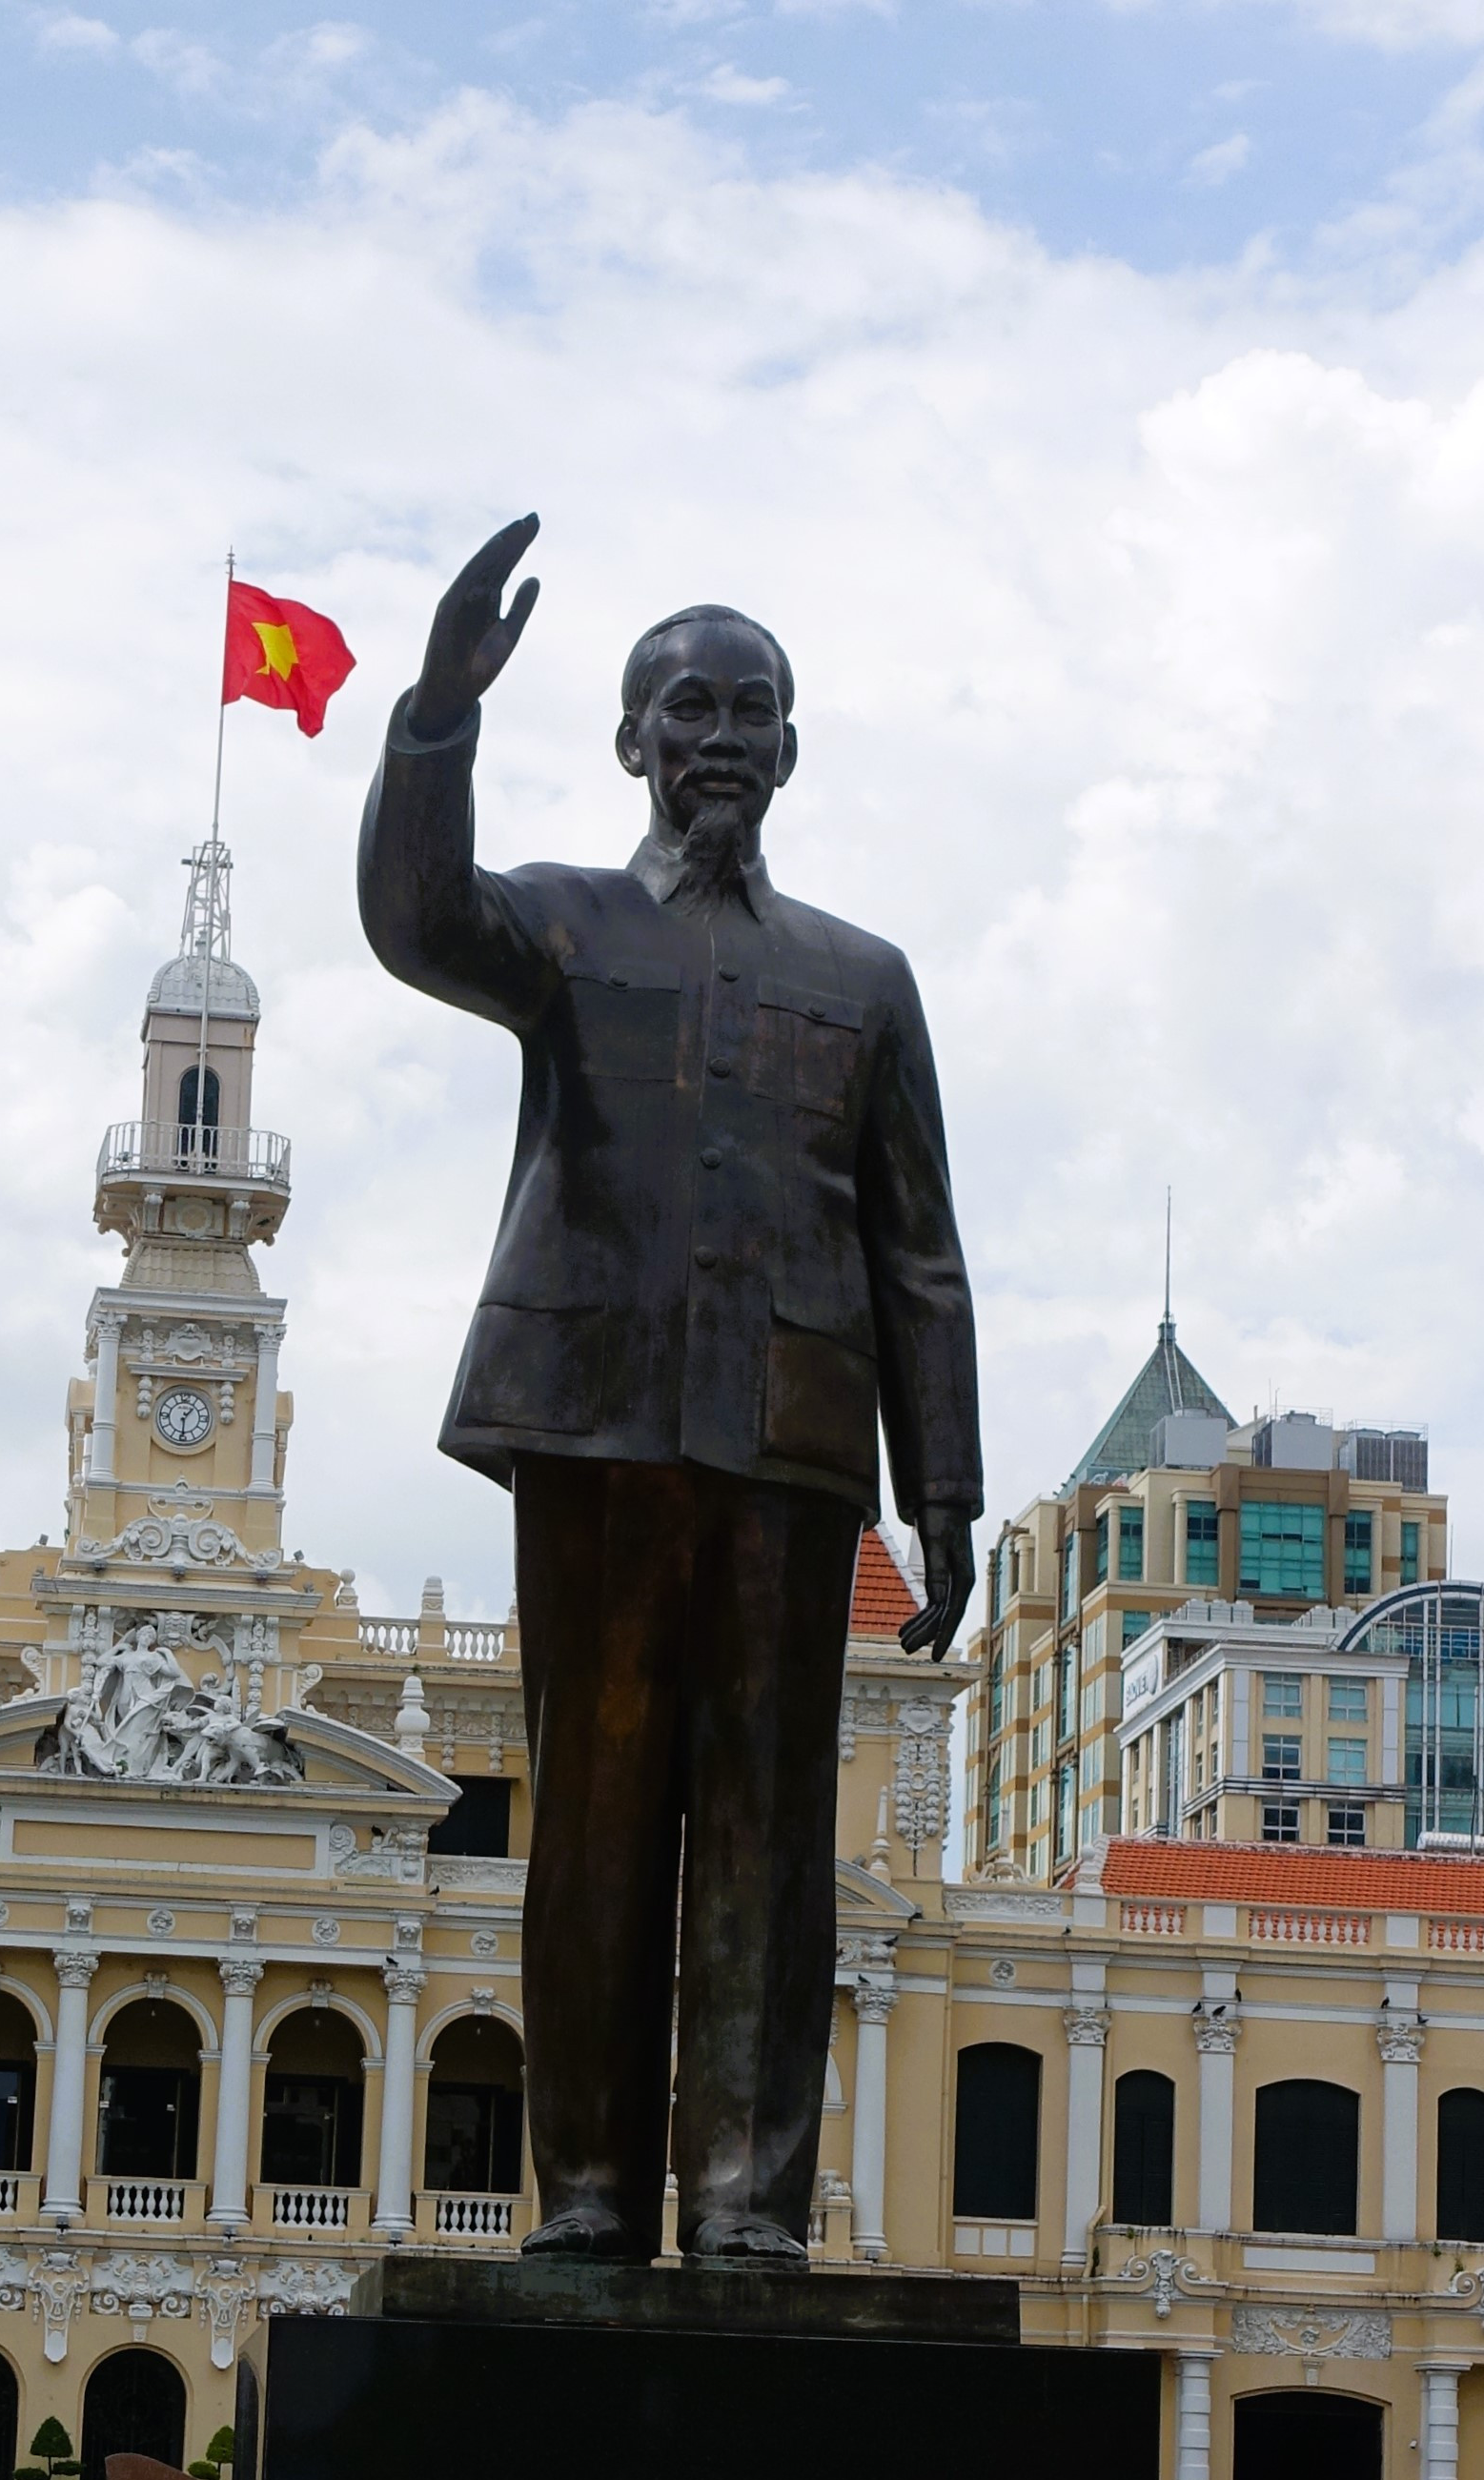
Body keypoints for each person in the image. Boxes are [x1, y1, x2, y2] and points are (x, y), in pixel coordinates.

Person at [358, 518, 981, 2265]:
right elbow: (415, 919)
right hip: (596, 1424)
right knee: (600, 1813)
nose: (719, 739)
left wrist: (945, 1489)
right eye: (686, 709)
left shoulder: (863, 982)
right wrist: (434, 717)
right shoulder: (556, 927)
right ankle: (588, 2191)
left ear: (788, 750)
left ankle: (746, 2204)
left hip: (790, 1447)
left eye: (751, 712)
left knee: (773, 1839)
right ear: (633, 740)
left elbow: (919, 1253)